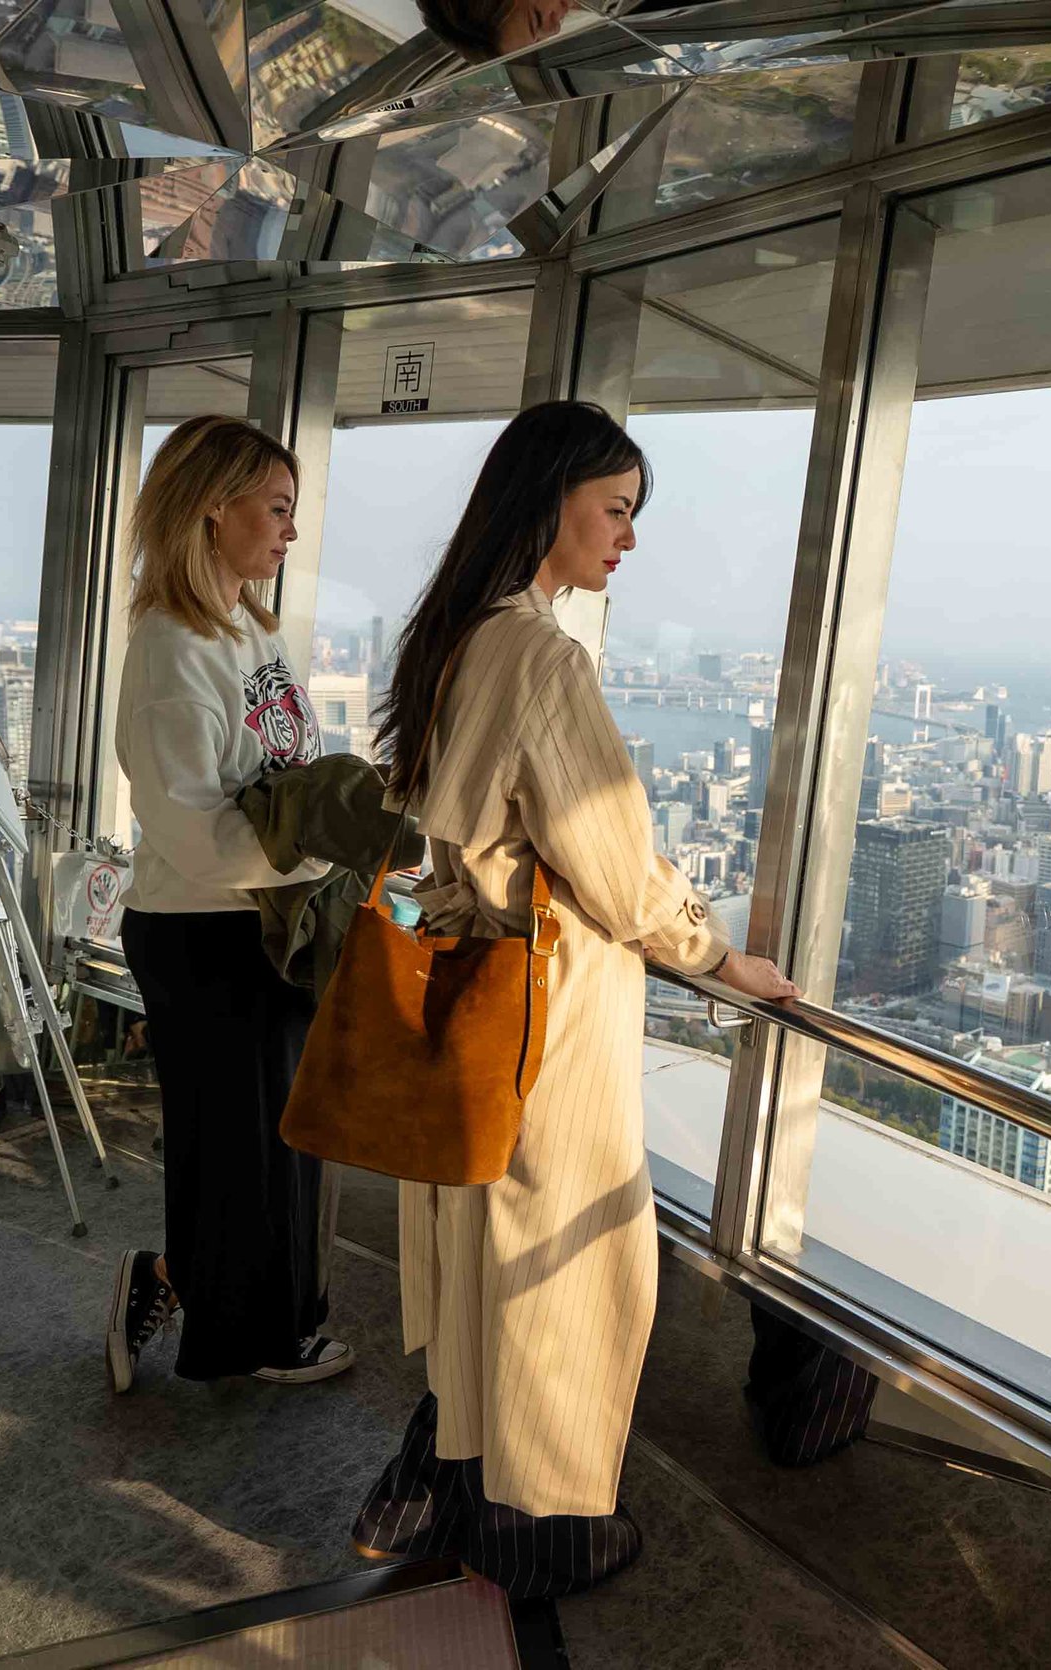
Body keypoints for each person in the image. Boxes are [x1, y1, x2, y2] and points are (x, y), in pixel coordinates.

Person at [348, 401, 797, 1597]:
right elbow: (608, 853)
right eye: (616, 510)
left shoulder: (456, 634)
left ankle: (449, 1473)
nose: (628, 539)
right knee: (569, 1261)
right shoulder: (541, 653)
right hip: (550, 1010)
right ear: (549, 500)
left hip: (469, 991)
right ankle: (543, 1524)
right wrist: (715, 953)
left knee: (489, 1243)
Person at [105, 415, 352, 1393]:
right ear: (213, 506)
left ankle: (230, 1304)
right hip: (201, 935)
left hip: (261, 926)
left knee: (270, 1139)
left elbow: (283, 766)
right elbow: (189, 828)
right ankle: (237, 1327)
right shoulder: (172, 648)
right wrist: (324, 850)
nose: (289, 531)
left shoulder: (248, 623)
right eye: (277, 508)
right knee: (236, 1148)